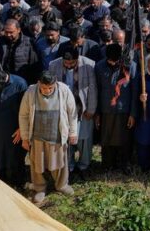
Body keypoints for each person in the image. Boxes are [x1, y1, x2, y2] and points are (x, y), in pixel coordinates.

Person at [18, 71, 78, 204]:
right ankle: (39, 187)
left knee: (60, 162)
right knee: (37, 163)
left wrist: (73, 132)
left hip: (56, 133)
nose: (47, 90)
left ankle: (61, 185)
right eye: (44, 88)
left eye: (50, 88)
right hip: (38, 135)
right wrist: (25, 137)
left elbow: (72, 111)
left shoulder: (64, 90)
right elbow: (23, 115)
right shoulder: (30, 92)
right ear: (39, 83)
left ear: (55, 84)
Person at [48, 48, 98, 179]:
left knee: (84, 139)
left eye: (72, 63)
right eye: (66, 63)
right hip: (63, 110)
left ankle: (84, 165)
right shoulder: (53, 65)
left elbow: (92, 88)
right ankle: (68, 166)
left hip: (83, 108)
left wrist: (91, 109)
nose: (68, 65)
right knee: (65, 138)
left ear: (78, 59)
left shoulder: (89, 64)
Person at [0, 70, 29, 187]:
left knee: (14, 156)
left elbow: (26, 109)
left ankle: (17, 183)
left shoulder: (20, 84)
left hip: (14, 128)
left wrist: (21, 129)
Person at [94, 43, 135, 170]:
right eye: (110, 61)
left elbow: (134, 91)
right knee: (106, 139)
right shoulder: (100, 66)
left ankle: (122, 164)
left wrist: (133, 114)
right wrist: (97, 113)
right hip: (106, 109)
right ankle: (107, 165)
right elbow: (97, 90)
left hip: (124, 110)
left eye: (115, 61)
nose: (112, 63)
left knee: (123, 139)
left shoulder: (130, 67)